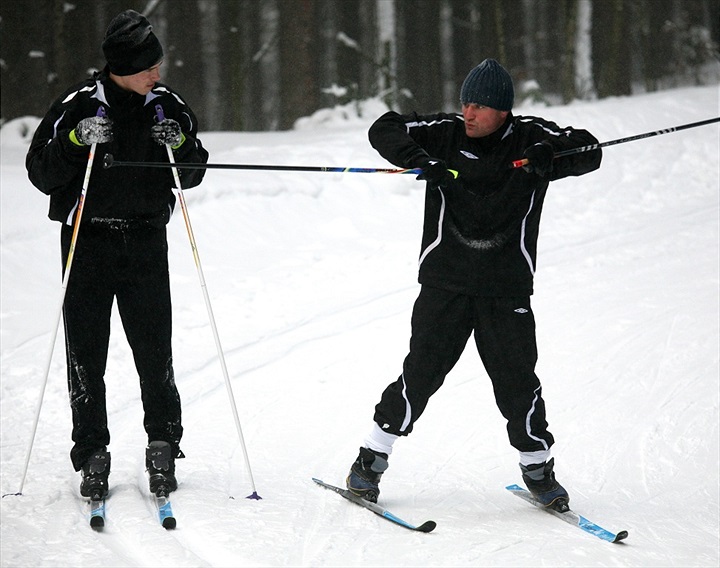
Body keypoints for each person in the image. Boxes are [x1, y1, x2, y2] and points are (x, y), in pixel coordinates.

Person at [346, 59, 602, 510]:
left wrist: (553, 158)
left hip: (506, 287)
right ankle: (370, 460)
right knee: (420, 372)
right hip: (445, 281)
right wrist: (420, 160)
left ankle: (537, 468)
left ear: (503, 110)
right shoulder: (443, 132)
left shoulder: (532, 137)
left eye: (480, 105)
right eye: (466, 102)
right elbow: (384, 128)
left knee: (517, 381)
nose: (469, 112)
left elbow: (590, 149)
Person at [26, 9, 209, 500]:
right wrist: (73, 141)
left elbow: (191, 173)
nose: (157, 73)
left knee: (155, 350)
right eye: (148, 66)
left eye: (157, 64)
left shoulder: (165, 105)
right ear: (120, 68)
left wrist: (183, 144)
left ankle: (164, 442)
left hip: (146, 240)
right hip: (86, 242)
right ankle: (91, 450)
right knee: (86, 353)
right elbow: (40, 172)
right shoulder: (78, 104)